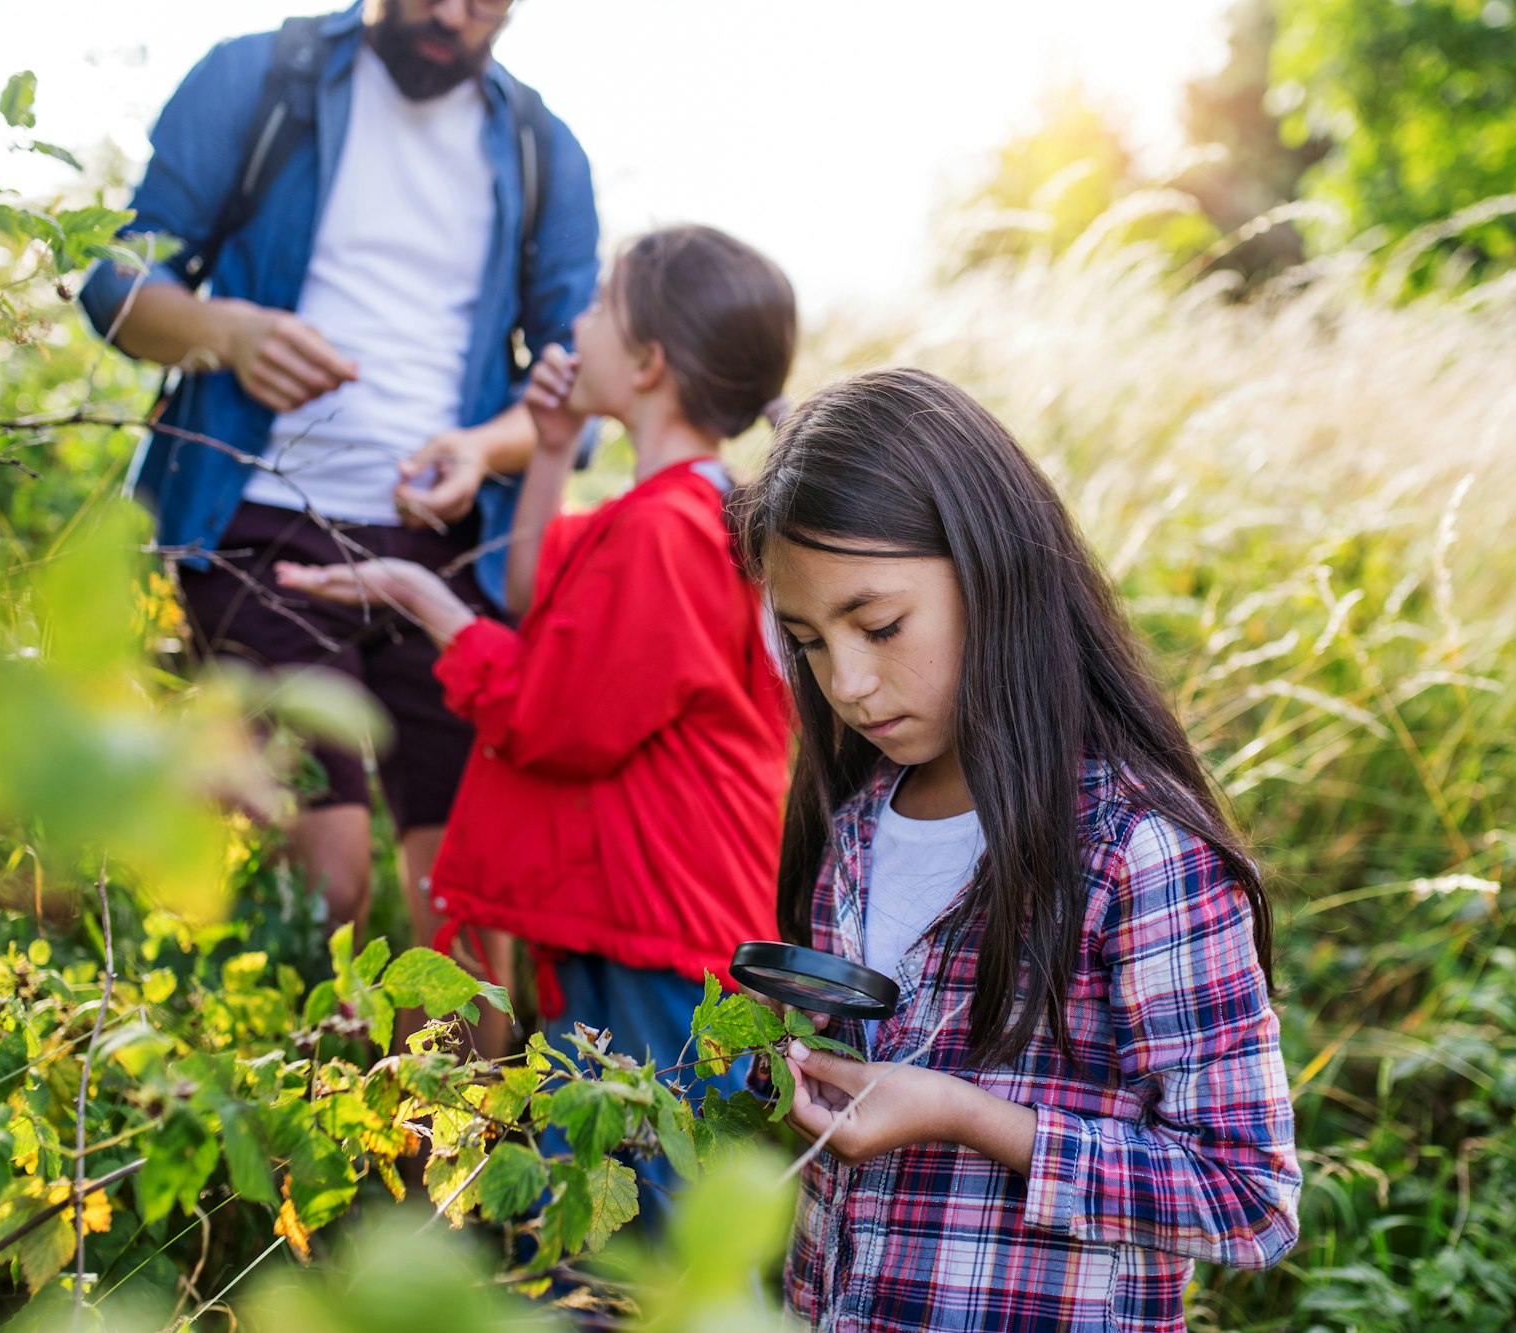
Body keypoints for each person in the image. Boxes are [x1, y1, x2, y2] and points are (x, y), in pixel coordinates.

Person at [728, 368, 1300, 1331]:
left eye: (878, 625)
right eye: (808, 641)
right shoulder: (857, 822)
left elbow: (1246, 1197)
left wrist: (966, 1115)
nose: (850, 683)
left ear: (993, 566)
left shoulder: (1135, 852)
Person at [273, 225, 795, 1215]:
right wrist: (550, 450)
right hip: (640, 919)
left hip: (657, 936)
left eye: (599, 305)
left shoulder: (665, 532)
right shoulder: (684, 509)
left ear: (646, 364)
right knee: (607, 1195)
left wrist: (427, 604)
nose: (575, 323)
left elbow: (552, 717)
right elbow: (537, 600)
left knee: (633, 1216)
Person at [76, 1, 600, 974]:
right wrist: (227, 332)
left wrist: (484, 451)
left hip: (449, 557)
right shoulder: (256, 78)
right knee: (332, 881)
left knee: (468, 907)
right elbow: (115, 285)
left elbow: (583, 385)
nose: (450, 15)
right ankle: (302, 1104)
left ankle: (451, 1127)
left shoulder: (540, 148)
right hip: (263, 529)